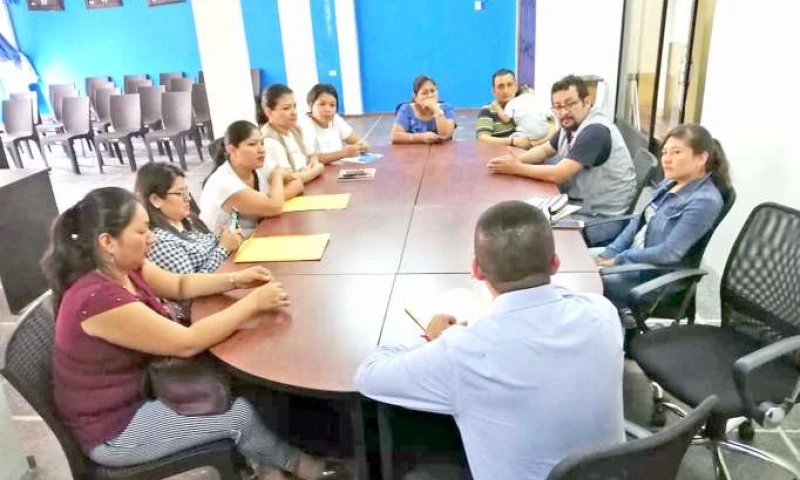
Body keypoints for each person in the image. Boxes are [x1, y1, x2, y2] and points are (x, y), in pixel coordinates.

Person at [42, 187, 348, 480]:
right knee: (240, 417)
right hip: (116, 427)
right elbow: (186, 343)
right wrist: (252, 303)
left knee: (242, 388)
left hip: (150, 387)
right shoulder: (98, 300)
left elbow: (180, 284)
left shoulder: (125, 268)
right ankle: (309, 470)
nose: (151, 238)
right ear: (108, 242)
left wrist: (236, 279)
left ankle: (269, 468)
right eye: (142, 231)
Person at [354, 201, 625, 480]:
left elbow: (368, 374)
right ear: (555, 263)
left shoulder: (463, 352)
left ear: (476, 269)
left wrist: (430, 339)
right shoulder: (603, 312)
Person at [594, 123, 729, 308]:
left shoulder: (704, 201)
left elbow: (668, 253)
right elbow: (638, 222)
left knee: (582, 281)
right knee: (573, 263)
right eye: (664, 152)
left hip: (652, 278)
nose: (667, 159)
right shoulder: (671, 182)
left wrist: (617, 260)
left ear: (701, 158)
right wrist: (610, 252)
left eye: (676, 152)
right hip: (633, 257)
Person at [487, 75, 636, 218]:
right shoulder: (571, 125)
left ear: (587, 102)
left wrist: (517, 168)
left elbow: (559, 174)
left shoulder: (595, 131)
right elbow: (545, 150)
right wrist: (517, 160)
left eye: (570, 104)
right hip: (580, 204)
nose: (563, 112)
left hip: (600, 216)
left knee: (531, 227)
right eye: (557, 107)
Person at [199, 120, 303, 237]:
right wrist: (277, 177)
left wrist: (273, 198)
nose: (261, 149)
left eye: (262, 143)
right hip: (227, 246)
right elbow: (275, 208)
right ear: (231, 150)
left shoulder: (259, 163)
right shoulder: (223, 183)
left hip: (256, 235)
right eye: (252, 144)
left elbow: (297, 182)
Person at [135, 162, 241, 275]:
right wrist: (224, 248)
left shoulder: (185, 219)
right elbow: (192, 282)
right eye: (180, 193)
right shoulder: (160, 243)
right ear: (155, 200)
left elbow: (207, 246)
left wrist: (224, 236)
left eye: (186, 191)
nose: (188, 198)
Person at [260, 84, 324, 183]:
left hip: (308, 183)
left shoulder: (295, 129)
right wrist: (317, 169)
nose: (294, 112)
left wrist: (313, 165)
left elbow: (312, 156)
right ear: (269, 112)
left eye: (294, 106)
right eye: (286, 108)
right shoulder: (269, 140)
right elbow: (289, 179)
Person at [299, 83, 370, 164]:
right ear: (310, 105)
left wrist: (362, 145)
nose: (328, 109)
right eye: (322, 104)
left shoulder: (336, 119)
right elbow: (309, 158)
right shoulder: (304, 124)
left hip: (337, 169)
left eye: (332, 105)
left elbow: (356, 141)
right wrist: (343, 153)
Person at [476, 69, 535, 148]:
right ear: (493, 91)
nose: (506, 91)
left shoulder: (525, 106)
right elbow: (482, 139)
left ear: (516, 87)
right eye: (501, 86)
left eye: (509, 85)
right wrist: (512, 141)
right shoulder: (487, 111)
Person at [390, 75, 456, 144]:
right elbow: (395, 136)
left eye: (432, 91)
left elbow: (445, 135)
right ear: (415, 97)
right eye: (424, 93)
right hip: (413, 150)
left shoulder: (446, 109)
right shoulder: (407, 110)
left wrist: (436, 110)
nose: (430, 96)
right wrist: (421, 137)